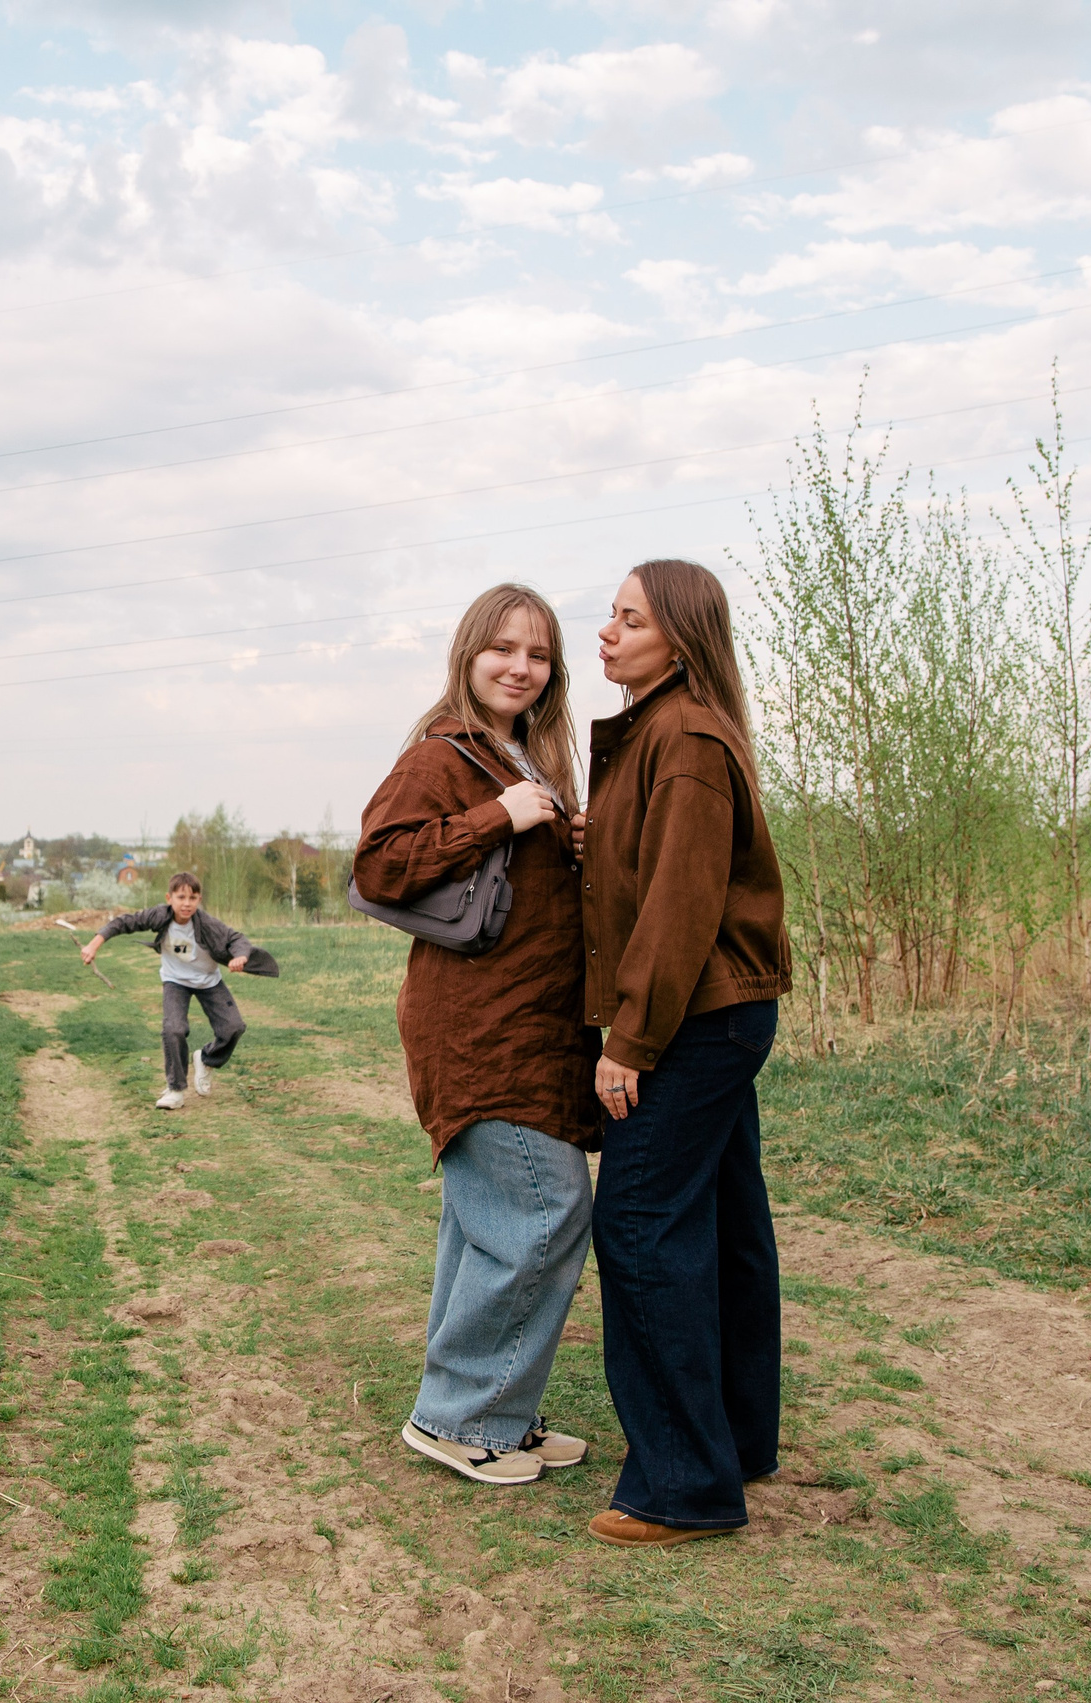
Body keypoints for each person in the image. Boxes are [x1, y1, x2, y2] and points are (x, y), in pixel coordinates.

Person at [353, 582, 605, 1486]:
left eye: (537, 655)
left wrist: (568, 841)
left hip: (530, 1028)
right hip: (479, 1033)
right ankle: (458, 1414)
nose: (520, 667)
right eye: (503, 648)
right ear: (468, 655)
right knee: (544, 1211)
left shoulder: (523, 756)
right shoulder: (444, 756)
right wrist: (499, 815)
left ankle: (500, 1409)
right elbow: (380, 864)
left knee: (486, 1224)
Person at [578, 559, 793, 1546]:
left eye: (628, 619)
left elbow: (679, 906)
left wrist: (631, 1038)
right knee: (719, 1222)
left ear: (682, 636)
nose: (606, 634)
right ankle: (732, 1441)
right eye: (610, 617)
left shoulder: (685, 738)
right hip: (716, 1014)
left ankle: (680, 1483)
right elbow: (651, 870)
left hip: (693, 1021)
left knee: (632, 1222)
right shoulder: (669, 734)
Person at [81, 873, 276, 1110]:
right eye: (181, 897)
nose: (186, 903)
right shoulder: (159, 916)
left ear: (199, 899)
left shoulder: (207, 924)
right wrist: (94, 944)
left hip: (208, 982)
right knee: (173, 1029)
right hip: (176, 981)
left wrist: (241, 956)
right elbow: (123, 922)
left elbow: (236, 939)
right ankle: (175, 1089)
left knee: (233, 1027)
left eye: (192, 898)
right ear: (169, 898)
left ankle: (206, 1059)